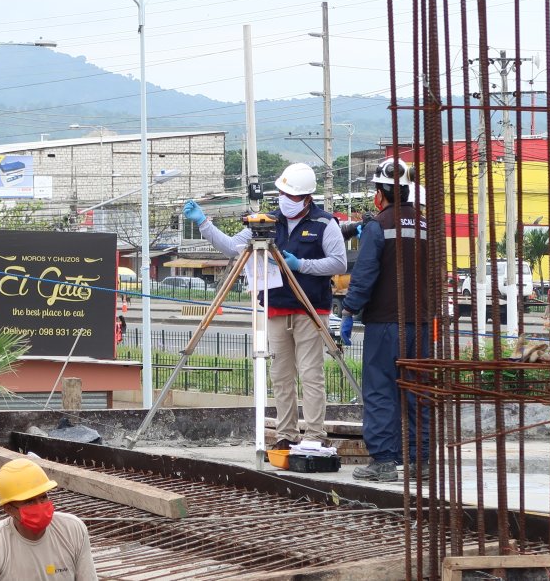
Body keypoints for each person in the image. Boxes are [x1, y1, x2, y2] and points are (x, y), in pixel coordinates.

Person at [183, 163, 346, 451]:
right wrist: (204, 223)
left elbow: (339, 263)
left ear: (306, 198)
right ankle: (287, 435)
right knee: (280, 376)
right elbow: (233, 248)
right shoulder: (267, 222)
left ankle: (314, 436)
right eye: (282, 193)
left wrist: (301, 265)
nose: (285, 199)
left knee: (311, 374)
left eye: (291, 195)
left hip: (310, 309)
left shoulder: (324, 223)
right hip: (276, 307)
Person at [339, 158, 431, 482]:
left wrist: (349, 311)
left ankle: (384, 462)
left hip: (385, 324)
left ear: (381, 193)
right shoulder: (425, 226)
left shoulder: (378, 226)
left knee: (380, 391)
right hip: (421, 324)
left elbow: (364, 275)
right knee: (418, 390)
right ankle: (421, 461)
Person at [0, 458, 97, 581]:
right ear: (9, 509)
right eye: (29, 501)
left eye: (43, 497)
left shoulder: (72, 530)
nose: (39, 506)